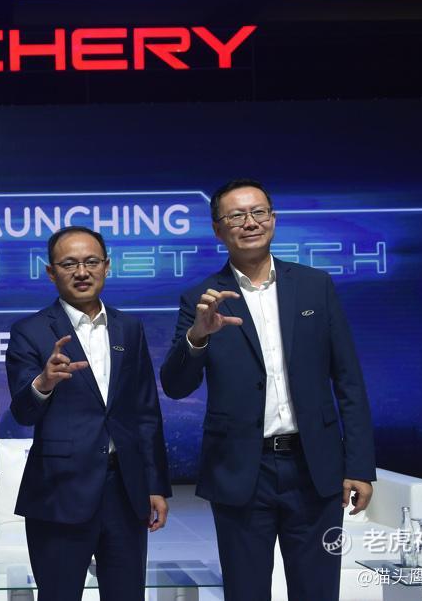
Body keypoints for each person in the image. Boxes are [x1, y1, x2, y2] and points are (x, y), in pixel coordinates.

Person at [159, 180, 376, 601]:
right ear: (218, 230)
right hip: (241, 470)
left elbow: (348, 379)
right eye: (236, 216)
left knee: (318, 591)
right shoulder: (201, 299)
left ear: (273, 219)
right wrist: (198, 336)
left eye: (258, 212)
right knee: (246, 592)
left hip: (314, 468)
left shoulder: (315, 286)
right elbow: (176, 385)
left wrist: (360, 465)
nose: (250, 222)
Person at [5, 226, 171, 601]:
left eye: (91, 262)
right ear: (51, 272)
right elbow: (22, 412)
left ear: (106, 266)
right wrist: (44, 382)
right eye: (69, 264)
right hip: (59, 491)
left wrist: (155, 484)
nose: (82, 272)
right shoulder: (30, 331)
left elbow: (145, 411)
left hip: (125, 491)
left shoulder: (129, 328)